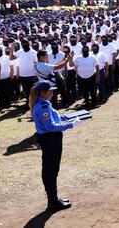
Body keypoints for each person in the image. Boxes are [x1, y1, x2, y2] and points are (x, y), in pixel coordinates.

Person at [29, 80, 83, 212]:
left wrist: (67, 117)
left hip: (50, 139)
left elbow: (54, 118)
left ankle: (54, 199)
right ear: (43, 93)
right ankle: (52, 201)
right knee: (50, 170)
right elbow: (51, 126)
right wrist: (71, 125)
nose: (53, 93)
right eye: (50, 91)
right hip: (50, 139)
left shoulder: (44, 104)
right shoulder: (43, 107)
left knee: (52, 169)